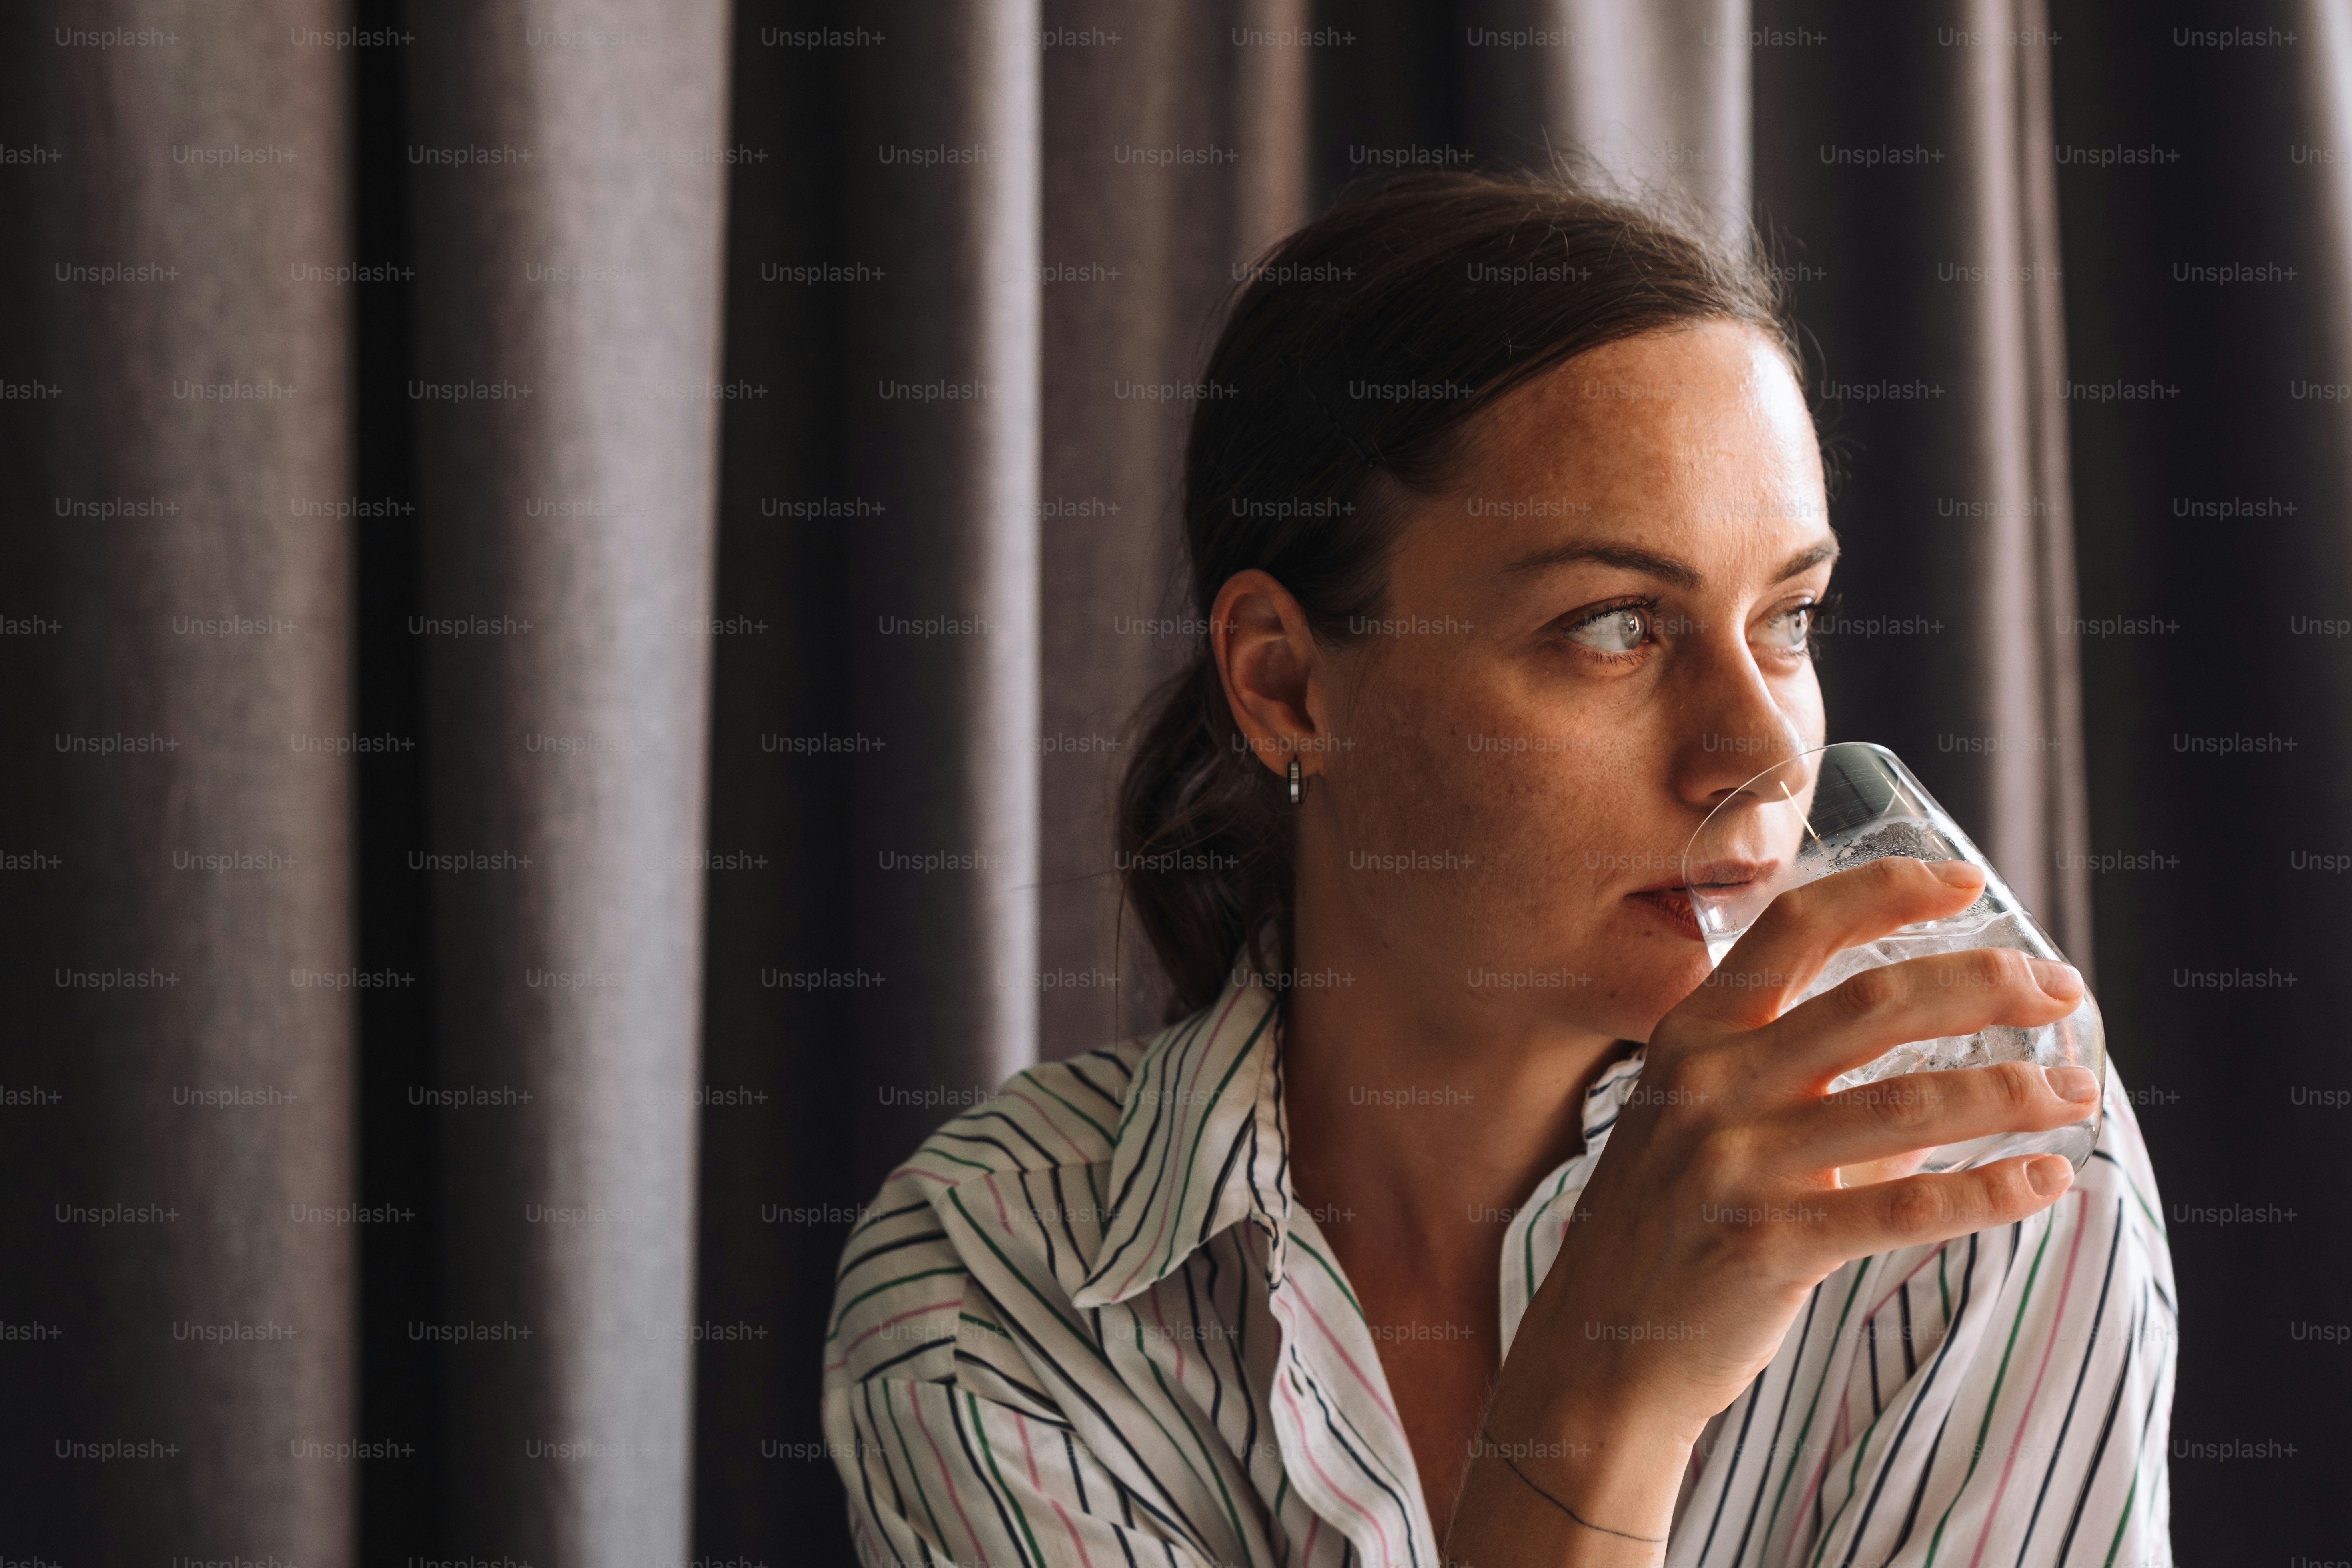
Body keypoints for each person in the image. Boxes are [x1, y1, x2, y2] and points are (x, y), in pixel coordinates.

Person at [822, 169, 2174, 1567]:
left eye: (1789, 618)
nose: (1761, 754)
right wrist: (1596, 1416)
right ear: (1287, 684)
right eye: (1612, 628)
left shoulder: (1975, 1156)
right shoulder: (991, 1282)